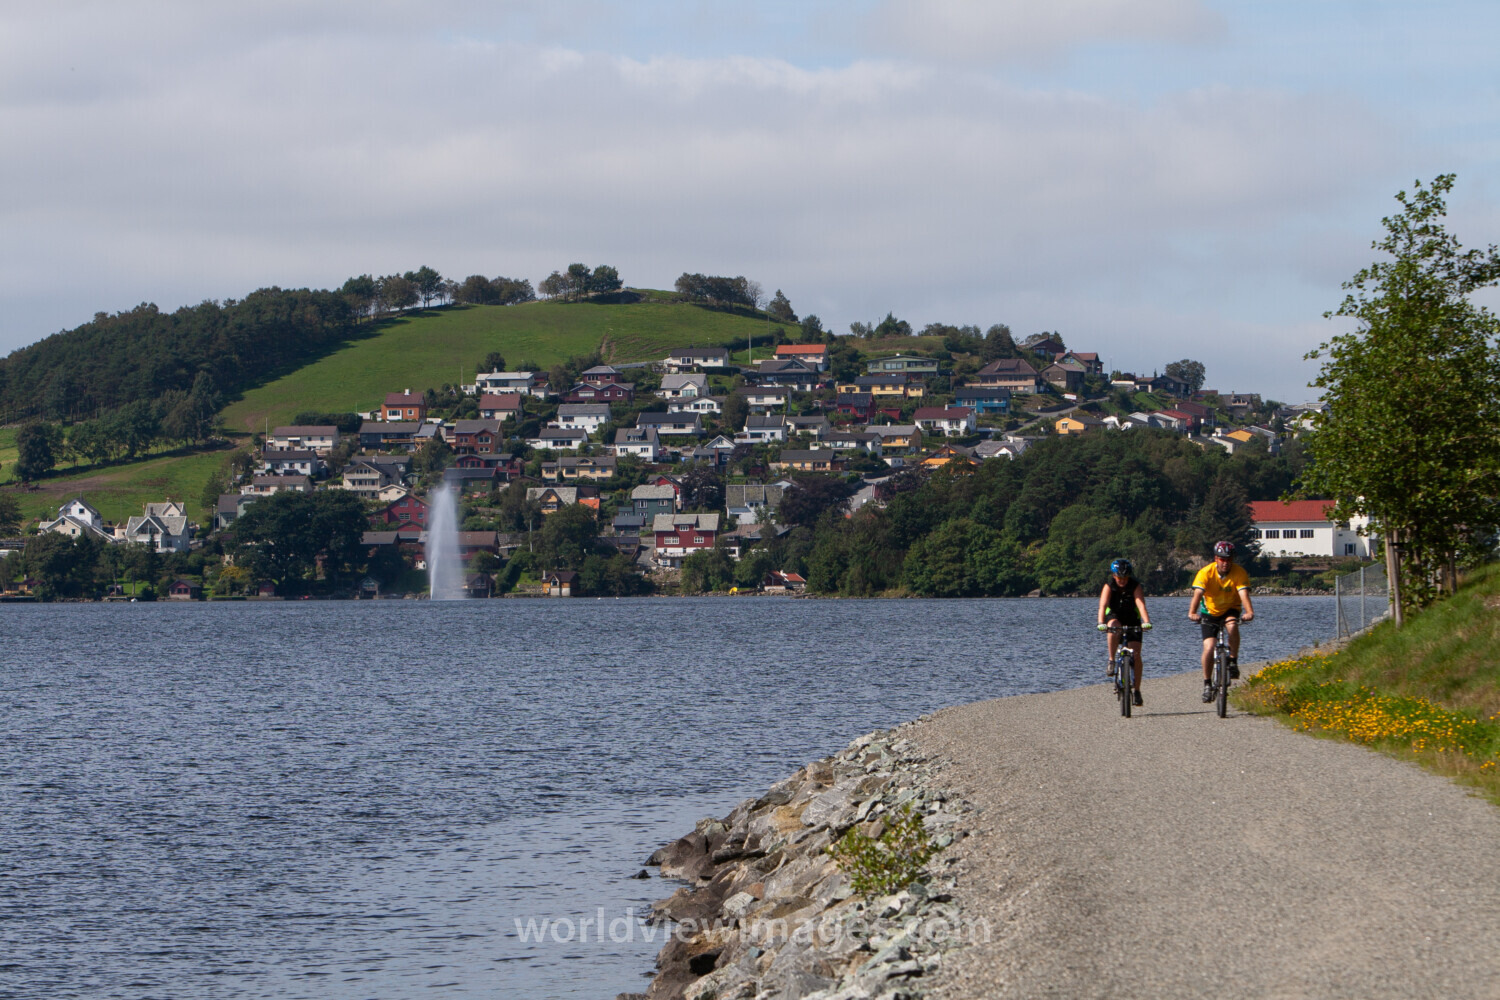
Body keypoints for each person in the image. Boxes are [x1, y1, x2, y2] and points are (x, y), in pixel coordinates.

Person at [1187, 541, 1255, 703]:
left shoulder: (1239, 572)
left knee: (1232, 625)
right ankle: (1207, 684)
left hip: (1231, 608)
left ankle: (1233, 661)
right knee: (1209, 647)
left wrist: (1249, 612)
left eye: (1228, 559)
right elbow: (1197, 594)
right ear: (1216, 559)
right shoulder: (1205, 572)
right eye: (1222, 559)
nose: (1225, 562)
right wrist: (1192, 613)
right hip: (1210, 612)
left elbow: (1244, 594)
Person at [1097, 558, 1152, 706]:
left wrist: (1146, 622)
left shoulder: (1135, 585)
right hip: (1114, 616)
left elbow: (1141, 605)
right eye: (1119, 577)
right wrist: (1101, 623)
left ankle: (1137, 690)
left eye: (1125, 577)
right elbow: (1102, 606)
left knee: (1136, 655)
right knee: (1114, 627)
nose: (1122, 580)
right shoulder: (1109, 586)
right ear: (1114, 576)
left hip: (1132, 618)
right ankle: (1111, 660)